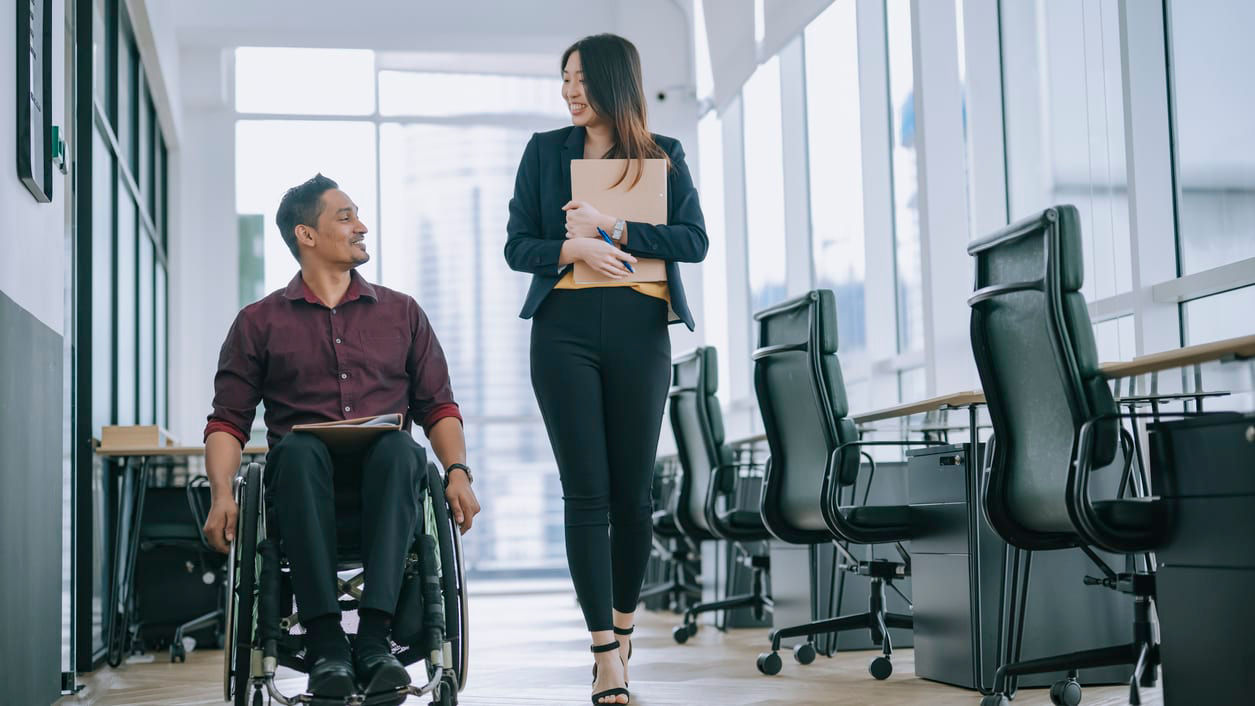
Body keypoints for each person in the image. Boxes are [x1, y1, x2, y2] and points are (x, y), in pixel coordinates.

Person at [201, 174, 481, 699]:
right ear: (306, 235)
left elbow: (438, 406)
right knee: (300, 450)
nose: (362, 227)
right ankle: (327, 643)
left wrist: (458, 472)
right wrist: (221, 493)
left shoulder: (402, 313)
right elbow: (227, 422)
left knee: (400, 446)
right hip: (301, 491)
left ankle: (374, 641)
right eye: (346, 217)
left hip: (388, 488)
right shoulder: (258, 322)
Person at [504, 33, 708, 705]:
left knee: (632, 495)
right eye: (563, 78)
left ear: (615, 83)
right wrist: (574, 247)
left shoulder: (662, 156)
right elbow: (517, 247)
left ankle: (623, 630)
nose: (568, 91)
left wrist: (613, 228)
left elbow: (692, 242)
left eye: (581, 80)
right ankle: (602, 652)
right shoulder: (544, 153)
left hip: (639, 330)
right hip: (562, 332)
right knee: (585, 492)